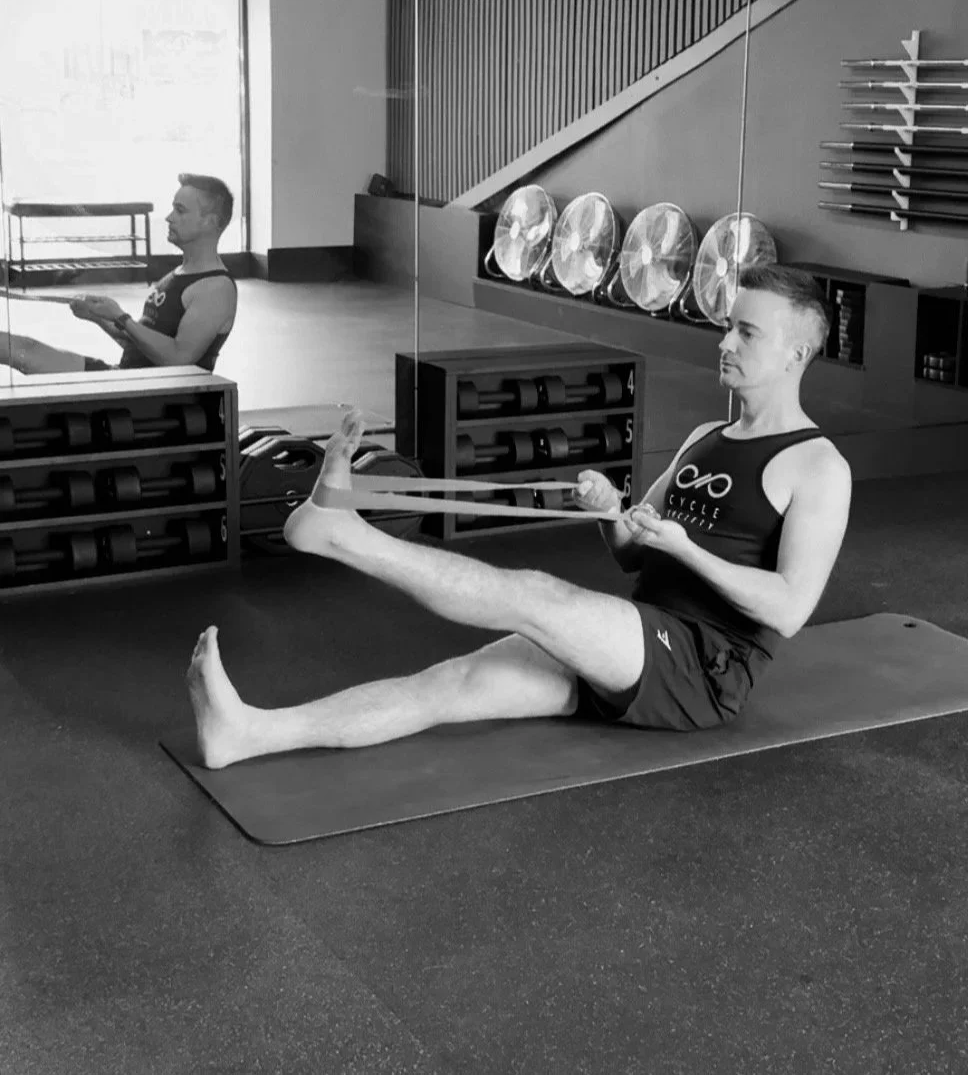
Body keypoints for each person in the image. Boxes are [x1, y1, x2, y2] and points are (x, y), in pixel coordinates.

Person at [186, 264, 853, 770]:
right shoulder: (706, 435)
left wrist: (686, 550)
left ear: (795, 353)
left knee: (534, 593)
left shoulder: (818, 466)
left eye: (747, 332)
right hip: (629, 642)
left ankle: (343, 533)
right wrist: (610, 512)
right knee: (454, 684)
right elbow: (632, 550)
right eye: (728, 325)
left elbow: (789, 608)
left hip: (701, 668)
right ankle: (248, 734)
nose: (726, 341)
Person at [0, 173, 238, 375]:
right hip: (128, 378)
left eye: (180, 210)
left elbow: (178, 359)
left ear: (210, 222)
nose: (169, 217)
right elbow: (141, 345)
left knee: (25, 352)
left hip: (152, 397)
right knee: (23, 349)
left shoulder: (215, 288)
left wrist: (121, 317)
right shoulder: (179, 274)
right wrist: (99, 317)